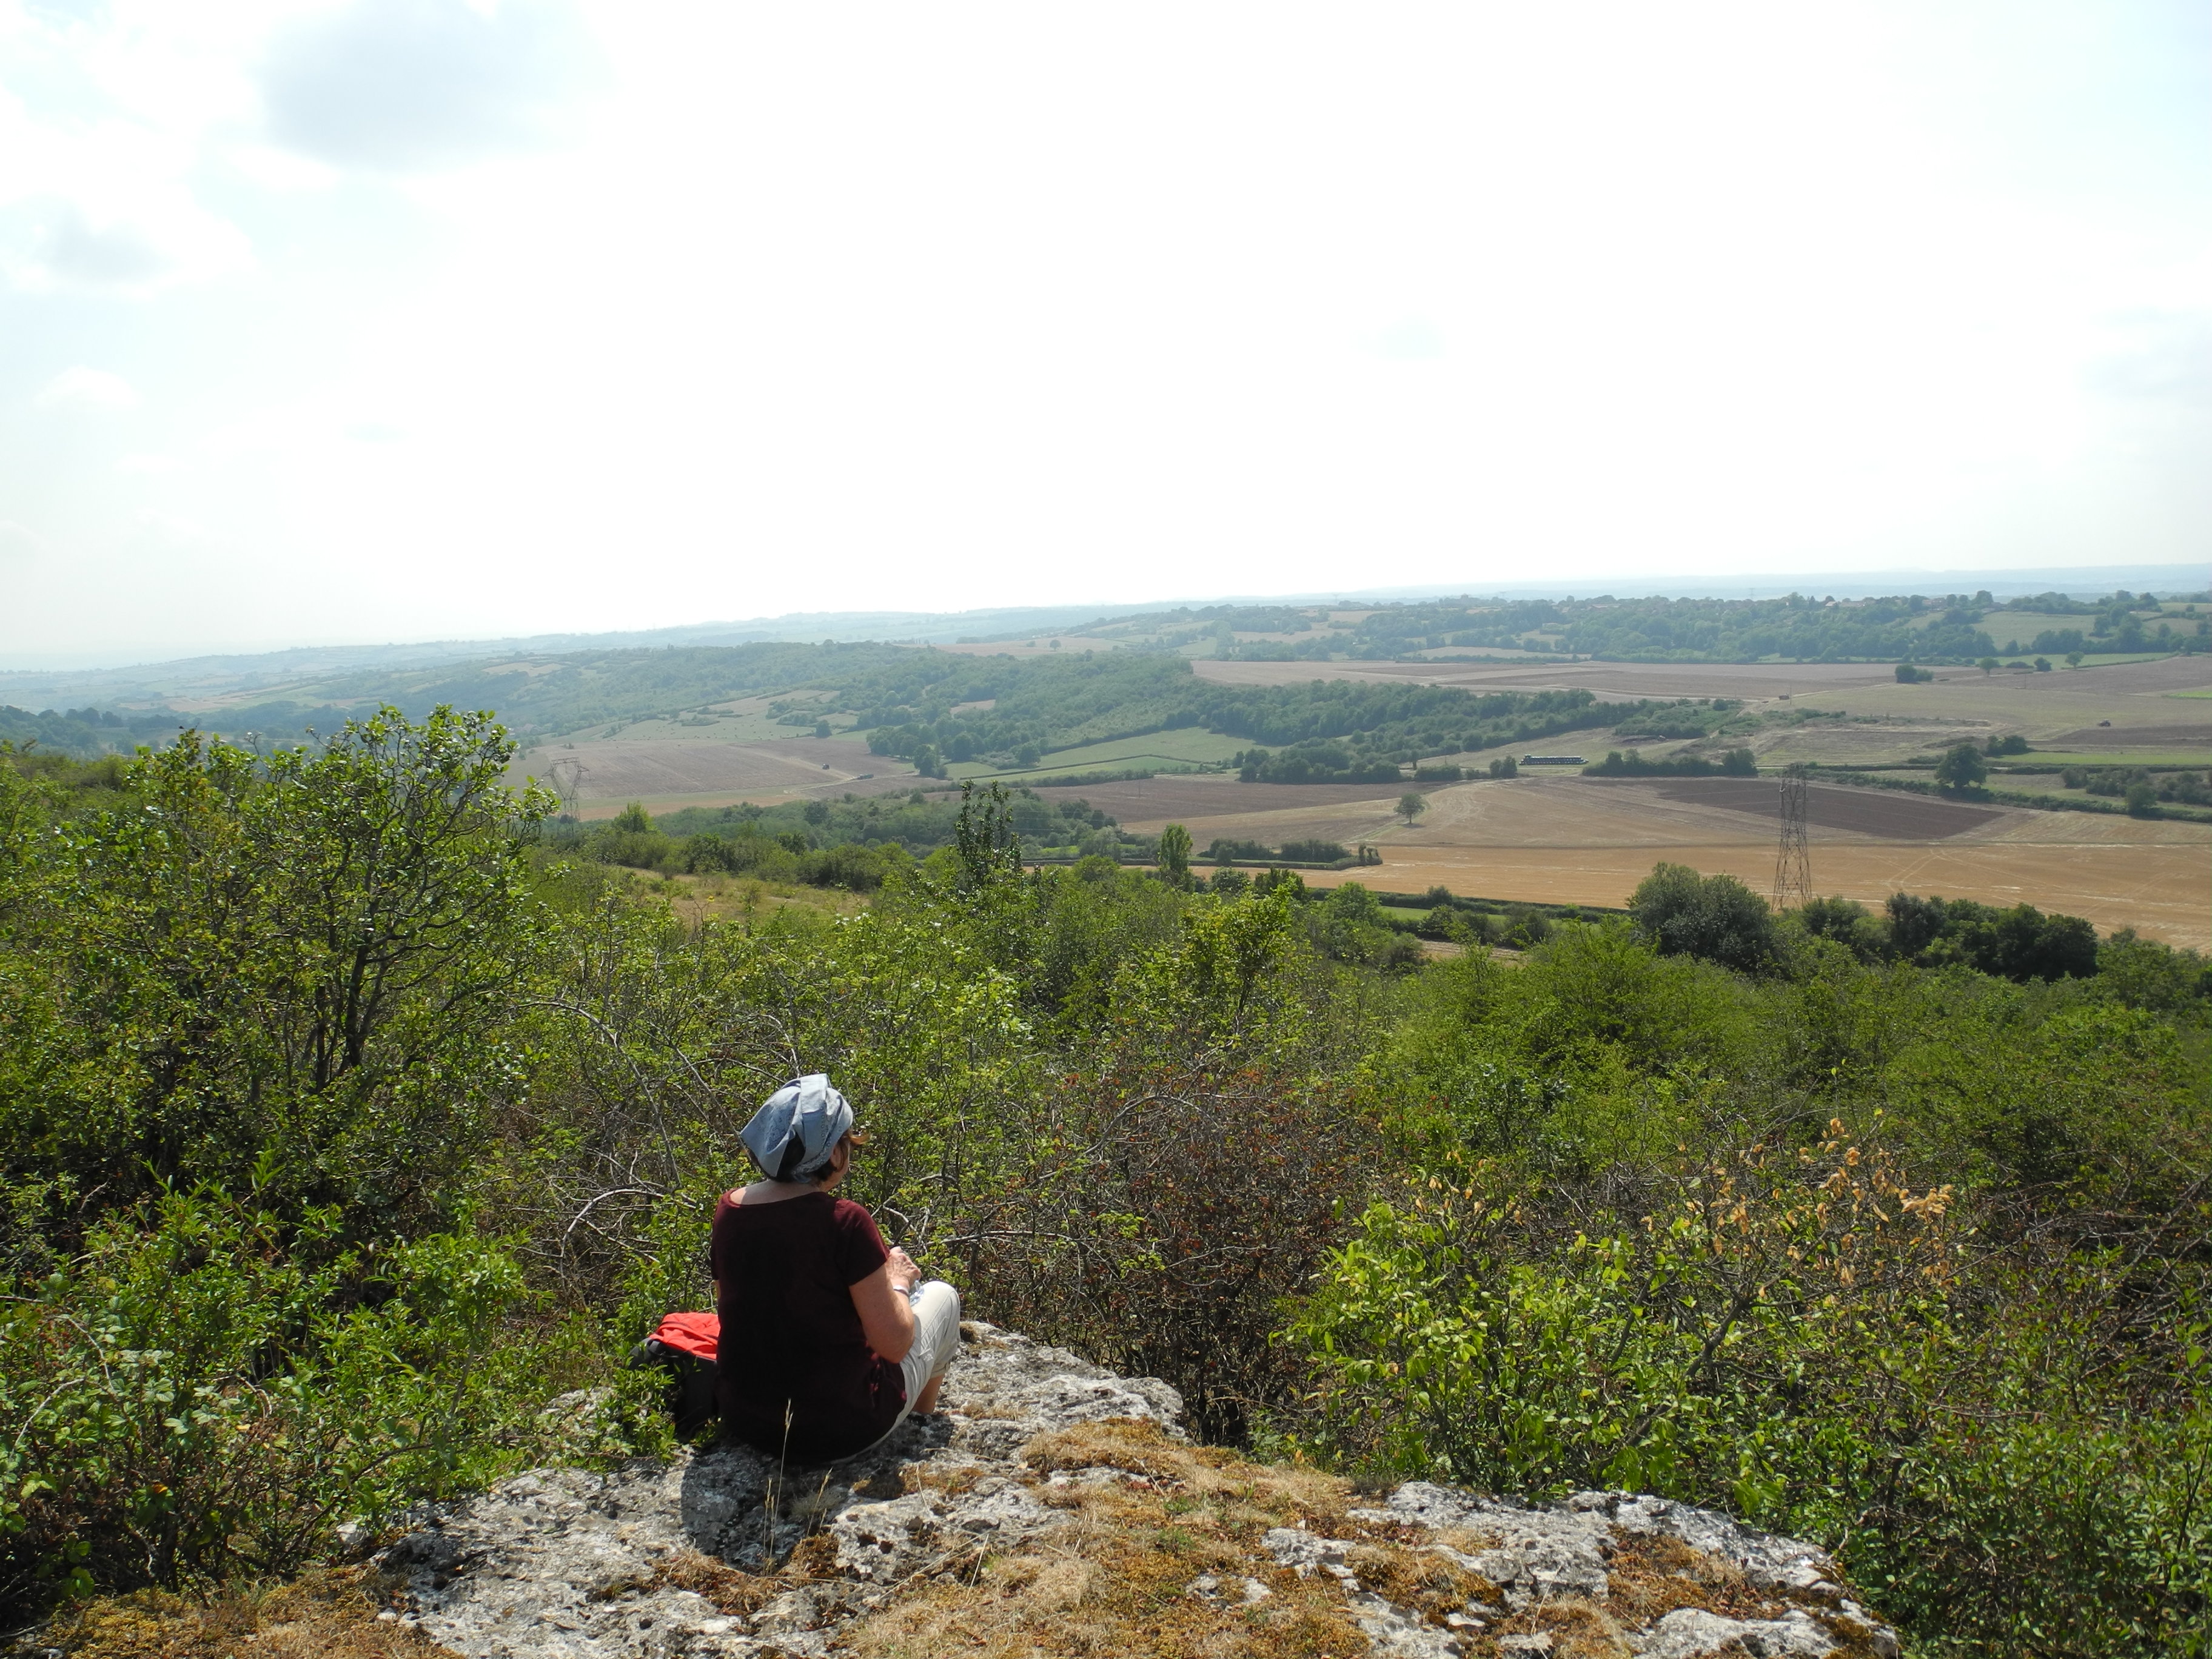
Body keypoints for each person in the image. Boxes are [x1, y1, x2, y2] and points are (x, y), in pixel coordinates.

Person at [709, 1074, 962, 1463]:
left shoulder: (730, 1211)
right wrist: (897, 1283)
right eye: (845, 1142)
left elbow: (728, 1307)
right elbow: (894, 1344)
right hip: (844, 1431)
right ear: (831, 1154)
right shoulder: (845, 1221)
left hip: (750, 1424)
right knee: (942, 1296)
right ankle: (915, 1424)